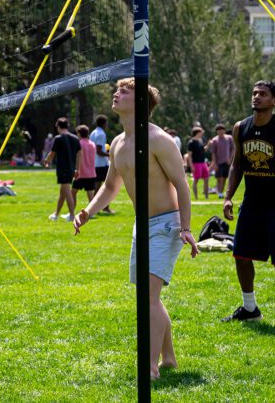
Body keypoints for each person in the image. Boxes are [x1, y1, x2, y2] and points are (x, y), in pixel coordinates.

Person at [74, 79, 198, 379]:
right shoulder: (117, 142)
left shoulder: (158, 140)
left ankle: (150, 368)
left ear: (141, 102)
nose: (117, 94)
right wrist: (88, 211)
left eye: (125, 91)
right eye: (117, 90)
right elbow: (110, 185)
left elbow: (182, 184)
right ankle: (168, 359)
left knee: (148, 296)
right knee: (150, 295)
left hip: (166, 224)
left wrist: (185, 227)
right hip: (141, 226)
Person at [221, 80, 275, 327]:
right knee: (240, 254)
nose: (257, 97)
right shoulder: (241, 127)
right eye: (254, 93)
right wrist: (228, 196)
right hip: (251, 204)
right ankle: (250, 308)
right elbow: (237, 164)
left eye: (263, 94)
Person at [44, 118, 79, 221]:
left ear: (58, 126)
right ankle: (56, 214)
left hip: (63, 168)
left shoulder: (58, 138)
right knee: (63, 192)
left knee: (66, 191)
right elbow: (80, 154)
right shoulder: (75, 138)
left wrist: (47, 161)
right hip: (71, 168)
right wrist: (77, 168)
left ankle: (72, 215)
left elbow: (52, 152)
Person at [89, 114, 113, 215]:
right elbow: (99, 150)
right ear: (104, 123)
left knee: (97, 186)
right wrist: (110, 154)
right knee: (108, 186)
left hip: (95, 163)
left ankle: (95, 207)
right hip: (102, 164)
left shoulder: (93, 132)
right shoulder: (101, 134)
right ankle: (105, 207)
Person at [208, 124, 234, 200]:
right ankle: (220, 192)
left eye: (222, 130)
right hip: (218, 162)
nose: (220, 131)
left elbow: (233, 149)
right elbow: (213, 153)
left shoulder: (229, 138)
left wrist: (230, 158)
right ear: (217, 131)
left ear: (224, 130)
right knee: (219, 178)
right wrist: (214, 163)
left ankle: (221, 193)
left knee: (224, 178)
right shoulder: (214, 140)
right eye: (219, 130)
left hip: (227, 162)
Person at [73, 125, 97, 205]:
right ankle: (92, 212)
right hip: (91, 173)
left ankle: (71, 211)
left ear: (79, 133)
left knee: (72, 193)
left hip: (81, 173)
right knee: (90, 194)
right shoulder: (92, 144)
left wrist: (76, 170)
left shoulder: (79, 143)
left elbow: (77, 158)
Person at [185, 126, 209, 200]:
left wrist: (208, 145)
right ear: (198, 132)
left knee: (206, 179)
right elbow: (189, 156)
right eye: (201, 132)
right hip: (196, 164)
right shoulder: (191, 142)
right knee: (196, 180)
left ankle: (206, 197)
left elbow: (203, 150)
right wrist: (191, 166)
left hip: (203, 163)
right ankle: (196, 198)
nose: (202, 133)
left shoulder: (200, 141)